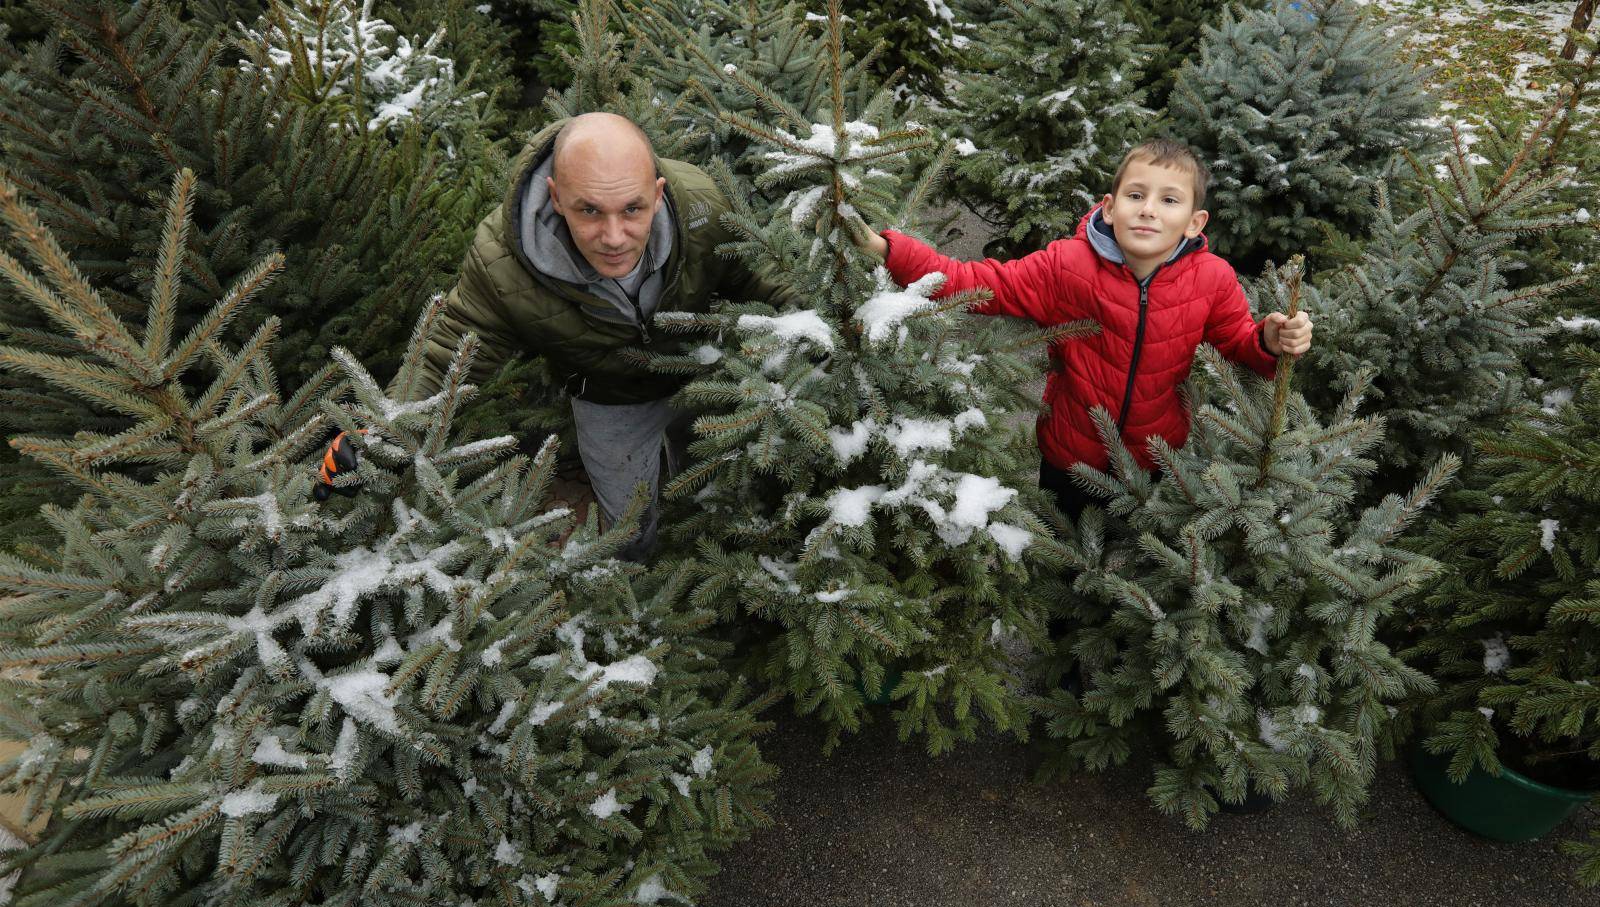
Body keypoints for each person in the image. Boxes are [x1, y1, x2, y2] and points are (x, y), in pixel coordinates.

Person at [315, 112, 791, 560]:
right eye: (589, 210)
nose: (613, 236)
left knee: (708, 486)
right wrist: (383, 435)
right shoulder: (502, 260)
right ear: (556, 196)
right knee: (627, 522)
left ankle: (702, 562)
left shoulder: (701, 204)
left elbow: (770, 275)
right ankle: (632, 590)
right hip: (610, 400)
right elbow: (448, 354)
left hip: (702, 378)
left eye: (632, 209)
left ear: (659, 191)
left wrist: (857, 286)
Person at [852, 138, 1313, 522]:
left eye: (1169, 200)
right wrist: (887, 249)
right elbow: (980, 283)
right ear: (1110, 208)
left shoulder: (1211, 277)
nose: (1149, 210)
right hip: (1070, 456)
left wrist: (1270, 341)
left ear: (1194, 222)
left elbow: (1235, 343)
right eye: (1136, 195)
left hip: (1157, 459)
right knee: (1064, 568)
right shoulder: (1067, 265)